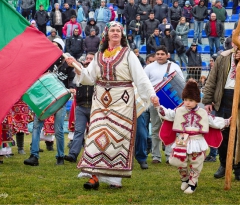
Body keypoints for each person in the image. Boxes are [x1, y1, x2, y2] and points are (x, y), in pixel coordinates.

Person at [66, 21, 158, 189]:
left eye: (118, 30)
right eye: (113, 30)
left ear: (122, 35)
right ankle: (94, 176)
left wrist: (151, 95)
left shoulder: (129, 54)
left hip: (122, 101)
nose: (116, 32)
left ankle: (115, 179)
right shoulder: (98, 56)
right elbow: (88, 77)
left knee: (117, 137)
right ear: (107, 34)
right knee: (96, 136)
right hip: (101, 100)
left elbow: (141, 78)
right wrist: (76, 65)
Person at [158, 80, 230, 194]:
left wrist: (226, 122)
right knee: (177, 161)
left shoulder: (203, 113)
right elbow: (168, 114)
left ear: (197, 100)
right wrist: (159, 107)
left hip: (197, 140)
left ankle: (193, 183)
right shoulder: (179, 110)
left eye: (190, 100)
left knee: (196, 162)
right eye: (185, 100)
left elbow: (213, 121)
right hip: (182, 140)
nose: (187, 102)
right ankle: (185, 179)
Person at [202, 26, 240, 182]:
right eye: (236, 41)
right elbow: (212, 79)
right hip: (224, 98)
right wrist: (208, 100)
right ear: (232, 43)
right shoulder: (222, 57)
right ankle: (224, 164)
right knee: (223, 134)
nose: (238, 44)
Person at [24, 38, 75, 166]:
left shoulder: (67, 62)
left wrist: (72, 88)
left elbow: (73, 79)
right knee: (36, 127)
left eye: (56, 46)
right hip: (43, 99)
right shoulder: (43, 62)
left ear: (61, 49)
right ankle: (34, 156)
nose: (53, 49)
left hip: (60, 99)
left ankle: (60, 157)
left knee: (58, 130)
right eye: (51, 46)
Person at [144, 45, 184, 164]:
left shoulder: (174, 66)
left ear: (168, 55)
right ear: (155, 55)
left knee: (170, 128)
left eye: (162, 54)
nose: (160, 56)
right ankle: (156, 156)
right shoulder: (149, 68)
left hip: (171, 103)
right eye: (158, 54)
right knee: (155, 128)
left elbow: (181, 83)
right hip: (155, 101)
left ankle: (168, 155)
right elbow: (144, 83)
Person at [64, 53, 95, 164]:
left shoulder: (97, 73)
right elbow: (78, 71)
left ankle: (92, 156)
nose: (88, 60)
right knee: (79, 132)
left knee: (94, 133)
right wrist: (76, 63)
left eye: (91, 59)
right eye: (87, 58)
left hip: (94, 107)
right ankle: (73, 155)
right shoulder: (80, 71)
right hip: (81, 107)